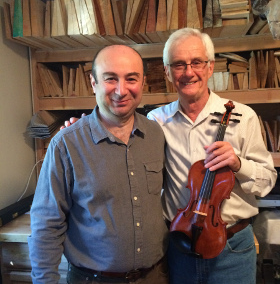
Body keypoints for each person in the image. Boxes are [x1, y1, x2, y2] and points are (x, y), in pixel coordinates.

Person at [28, 45, 169, 284]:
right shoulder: (66, 145)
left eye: (131, 79)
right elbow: (46, 225)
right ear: (93, 82)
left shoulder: (156, 134)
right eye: (110, 78)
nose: (121, 90)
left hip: (156, 276)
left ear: (143, 82)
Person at [146, 28, 277, 284]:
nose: (188, 72)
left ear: (210, 67)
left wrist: (239, 165)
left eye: (196, 62)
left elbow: (267, 182)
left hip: (232, 248)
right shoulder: (155, 121)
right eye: (178, 64)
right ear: (167, 71)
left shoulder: (244, 116)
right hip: (180, 243)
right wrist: (80, 128)